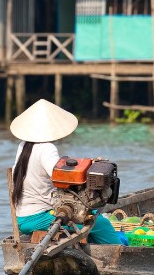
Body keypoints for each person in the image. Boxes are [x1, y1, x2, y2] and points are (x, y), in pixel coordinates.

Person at [9, 98, 127, 245]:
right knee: (100, 223)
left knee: (90, 216)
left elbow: (58, 168)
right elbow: (62, 178)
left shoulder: (24, 146)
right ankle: (120, 251)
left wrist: (88, 164)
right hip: (38, 218)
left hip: (23, 217)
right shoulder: (46, 148)